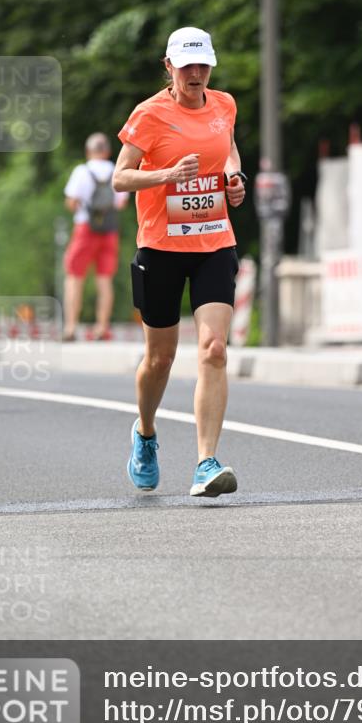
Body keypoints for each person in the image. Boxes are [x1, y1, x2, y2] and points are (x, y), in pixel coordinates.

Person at [113, 26, 246, 498]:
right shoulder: (149, 114)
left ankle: (205, 462)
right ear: (168, 67)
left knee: (213, 348)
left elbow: (227, 146)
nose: (196, 73)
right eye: (186, 65)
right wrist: (167, 174)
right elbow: (120, 178)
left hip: (214, 240)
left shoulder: (224, 105)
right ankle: (145, 433)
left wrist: (233, 176)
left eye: (203, 64)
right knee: (160, 358)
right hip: (161, 247)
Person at [63, 133, 129, 341]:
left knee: (74, 277)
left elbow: (72, 202)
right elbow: (121, 203)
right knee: (104, 279)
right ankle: (102, 327)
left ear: (88, 151)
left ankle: (71, 327)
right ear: (108, 152)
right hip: (109, 229)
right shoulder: (116, 170)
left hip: (85, 228)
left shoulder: (82, 171)